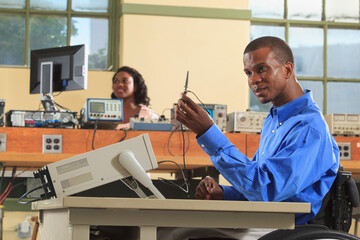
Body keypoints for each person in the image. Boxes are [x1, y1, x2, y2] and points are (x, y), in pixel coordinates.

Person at [169, 36, 340, 239]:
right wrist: (224, 193)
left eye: (262, 69)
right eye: (248, 73)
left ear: (287, 70)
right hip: (267, 221)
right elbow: (260, 182)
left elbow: (266, 189)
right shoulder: (274, 120)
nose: (253, 80)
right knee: (174, 230)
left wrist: (209, 133)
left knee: (177, 233)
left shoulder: (309, 128)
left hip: (287, 230)